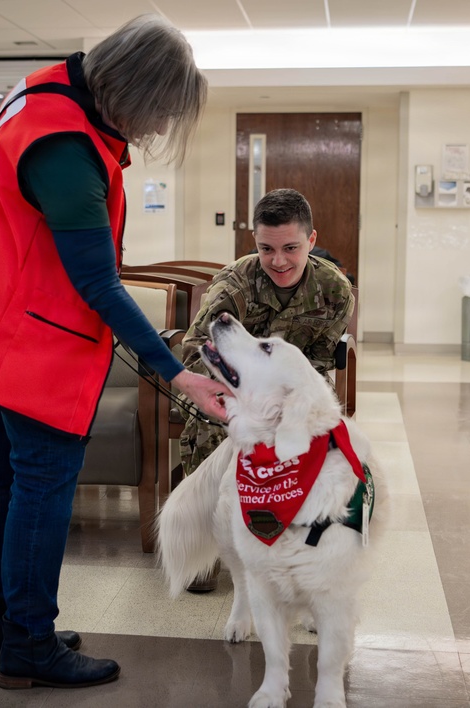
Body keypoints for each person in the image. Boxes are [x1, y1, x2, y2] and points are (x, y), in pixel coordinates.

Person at [0, 15, 229, 691]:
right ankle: (29, 643)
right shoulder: (66, 149)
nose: (155, 130)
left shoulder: (41, 92)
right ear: (133, 91)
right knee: (39, 487)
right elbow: (98, 285)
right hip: (32, 344)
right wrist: (179, 374)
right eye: (159, 112)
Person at [176, 188, 354, 590]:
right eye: (266, 248)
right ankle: (211, 545)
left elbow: (320, 364)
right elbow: (194, 354)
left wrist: (289, 407)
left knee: (318, 433)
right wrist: (244, 403)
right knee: (212, 425)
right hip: (230, 391)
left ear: (311, 240)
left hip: (290, 392)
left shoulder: (334, 291)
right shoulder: (234, 285)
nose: (278, 261)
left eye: (291, 247)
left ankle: (303, 531)